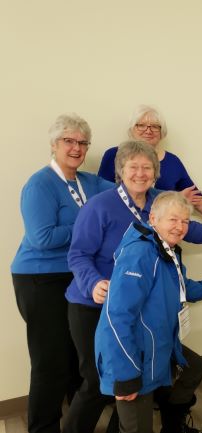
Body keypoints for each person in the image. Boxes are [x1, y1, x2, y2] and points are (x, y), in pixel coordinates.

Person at [63, 141, 202, 433]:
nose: (140, 173)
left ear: (155, 173)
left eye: (147, 167)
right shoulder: (102, 209)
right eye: (133, 167)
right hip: (96, 303)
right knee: (100, 384)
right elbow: (78, 255)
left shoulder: (162, 205)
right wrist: (93, 283)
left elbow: (191, 234)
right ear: (121, 171)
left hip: (145, 313)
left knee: (140, 385)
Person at [95, 192, 202, 433]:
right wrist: (126, 377)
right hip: (134, 356)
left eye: (185, 221)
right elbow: (117, 318)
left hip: (157, 344)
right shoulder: (140, 254)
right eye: (173, 220)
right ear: (153, 218)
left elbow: (185, 289)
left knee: (193, 367)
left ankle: (173, 426)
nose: (180, 227)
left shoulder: (166, 250)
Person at [11, 114, 113, 433]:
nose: (76, 147)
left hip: (75, 276)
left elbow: (128, 194)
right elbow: (42, 238)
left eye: (82, 142)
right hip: (40, 279)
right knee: (51, 361)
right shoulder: (39, 183)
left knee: (77, 360)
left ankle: (75, 424)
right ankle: (43, 428)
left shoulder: (91, 182)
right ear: (54, 144)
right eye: (69, 141)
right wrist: (88, 223)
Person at [98, 105, 202, 241]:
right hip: (119, 235)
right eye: (141, 125)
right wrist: (176, 198)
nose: (148, 130)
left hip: (163, 243)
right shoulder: (114, 155)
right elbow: (102, 194)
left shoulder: (172, 162)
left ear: (162, 133)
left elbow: (199, 200)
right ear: (131, 130)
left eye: (155, 126)